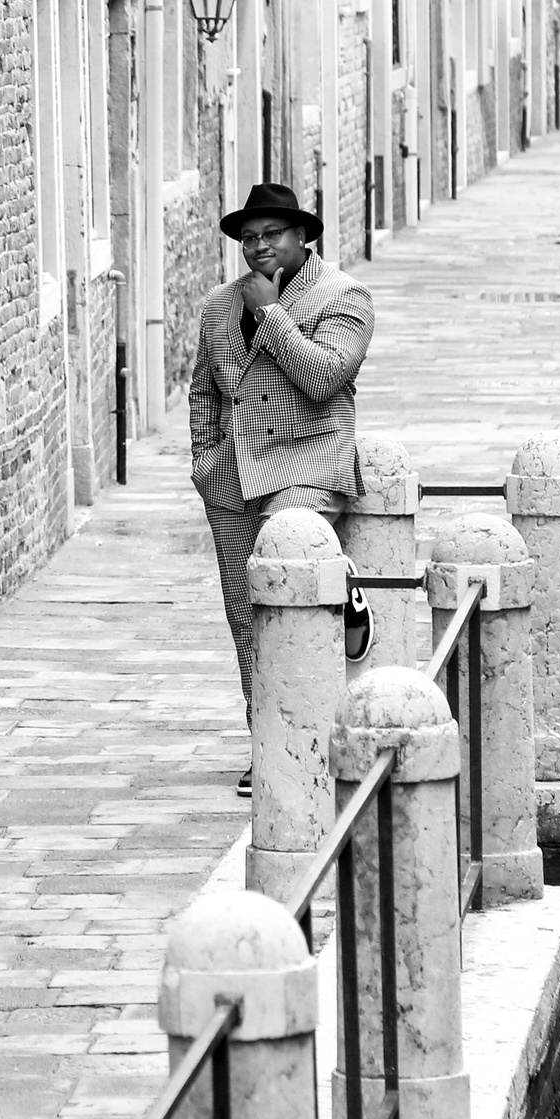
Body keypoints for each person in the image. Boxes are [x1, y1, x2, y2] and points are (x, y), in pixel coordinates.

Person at [188, 184, 375, 795]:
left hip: (307, 466)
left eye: (272, 234)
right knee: (246, 618)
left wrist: (270, 314)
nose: (259, 245)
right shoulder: (218, 306)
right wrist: (205, 461)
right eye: (249, 237)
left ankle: (341, 587)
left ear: (303, 237)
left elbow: (323, 377)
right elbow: (203, 390)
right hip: (233, 478)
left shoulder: (345, 297)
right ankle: (265, 742)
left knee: (286, 565)